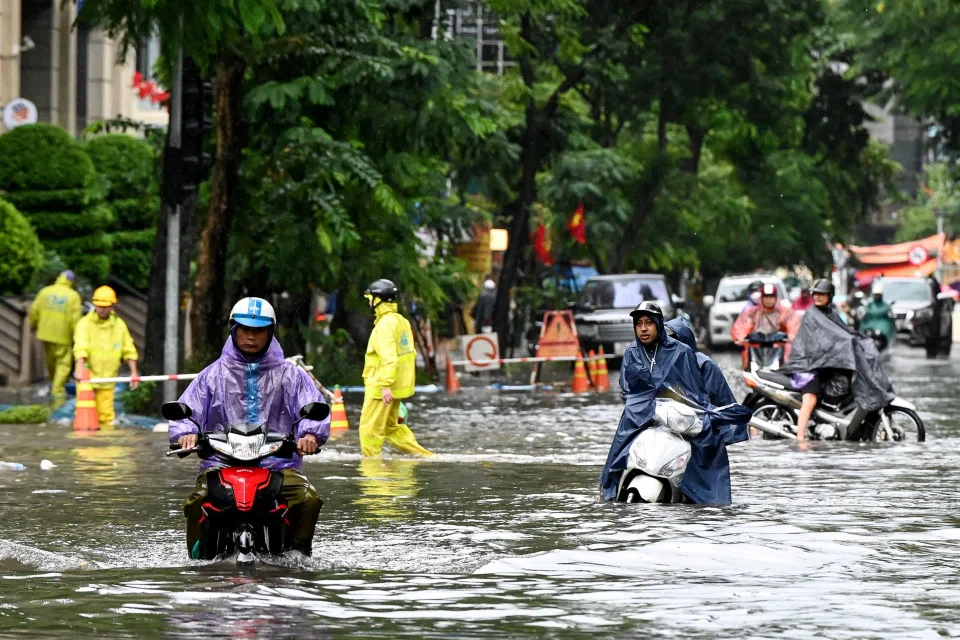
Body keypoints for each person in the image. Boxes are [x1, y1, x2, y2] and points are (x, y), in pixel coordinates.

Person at [168, 297, 330, 557]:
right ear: (234, 330)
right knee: (198, 499)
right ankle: (197, 561)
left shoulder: (291, 375)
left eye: (258, 331)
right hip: (220, 463)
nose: (251, 337)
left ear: (270, 332)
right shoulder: (212, 375)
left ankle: (299, 557)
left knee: (308, 499)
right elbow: (187, 410)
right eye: (245, 330)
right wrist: (185, 433)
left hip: (277, 465)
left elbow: (311, 407)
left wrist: (310, 434)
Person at [600, 302, 750, 504]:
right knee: (618, 452)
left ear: (659, 325)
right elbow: (627, 390)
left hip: (678, 415)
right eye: (639, 323)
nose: (643, 328)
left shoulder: (684, 353)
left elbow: (695, 394)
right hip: (641, 416)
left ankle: (707, 501)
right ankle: (611, 491)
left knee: (707, 444)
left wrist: (700, 416)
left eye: (649, 323)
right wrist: (640, 404)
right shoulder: (631, 352)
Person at [784, 278, 894, 442]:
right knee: (810, 398)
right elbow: (819, 342)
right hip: (809, 365)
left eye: (822, 295)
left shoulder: (831, 313)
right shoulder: (811, 315)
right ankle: (800, 438)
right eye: (816, 294)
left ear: (830, 296)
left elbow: (842, 332)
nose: (818, 298)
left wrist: (859, 341)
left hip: (827, 364)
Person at [359, 279, 434, 458]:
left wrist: (385, 384)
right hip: (395, 386)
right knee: (391, 428)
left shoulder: (384, 325)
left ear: (378, 300)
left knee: (369, 431)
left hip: (381, 387)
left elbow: (389, 357)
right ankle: (425, 456)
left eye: (371, 298)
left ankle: (372, 468)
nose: (369, 302)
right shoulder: (400, 321)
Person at [73, 286, 139, 425]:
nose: (102, 309)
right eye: (99, 306)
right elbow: (80, 346)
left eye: (105, 306)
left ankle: (105, 445)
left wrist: (134, 372)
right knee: (85, 415)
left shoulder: (119, 325)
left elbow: (129, 349)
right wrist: (80, 367)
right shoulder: (84, 324)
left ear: (112, 306)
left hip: (107, 378)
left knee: (106, 417)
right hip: (87, 377)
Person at [28, 270, 82, 401]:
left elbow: (34, 310)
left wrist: (32, 324)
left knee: (51, 361)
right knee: (63, 364)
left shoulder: (45, 291)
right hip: (63, 336)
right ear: (71, 282)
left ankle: (53, 384)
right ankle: (57, 391)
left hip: (45, 333)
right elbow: (75, 319)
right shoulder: (73, 296)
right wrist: (79, 337)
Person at [730, 283, 798, 368]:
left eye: (771, 297)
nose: (768, 300)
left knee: (790, 359)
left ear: (776, 297)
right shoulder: (753, 312)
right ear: (762, 297)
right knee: (746, 362)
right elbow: (742, 325)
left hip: (778, 347)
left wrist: (791, 334)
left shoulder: (784, 312)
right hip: (755, 347)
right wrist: (740, 336)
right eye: (766, 297)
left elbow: (793, 323)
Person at [860, 283, 895, 350]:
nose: (877, 296)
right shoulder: (870, 305)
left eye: (878, 295)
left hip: (882, 328)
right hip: (870, 326)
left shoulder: (885, 306)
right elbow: (864, 316)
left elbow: (890, 317)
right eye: (876, 295)